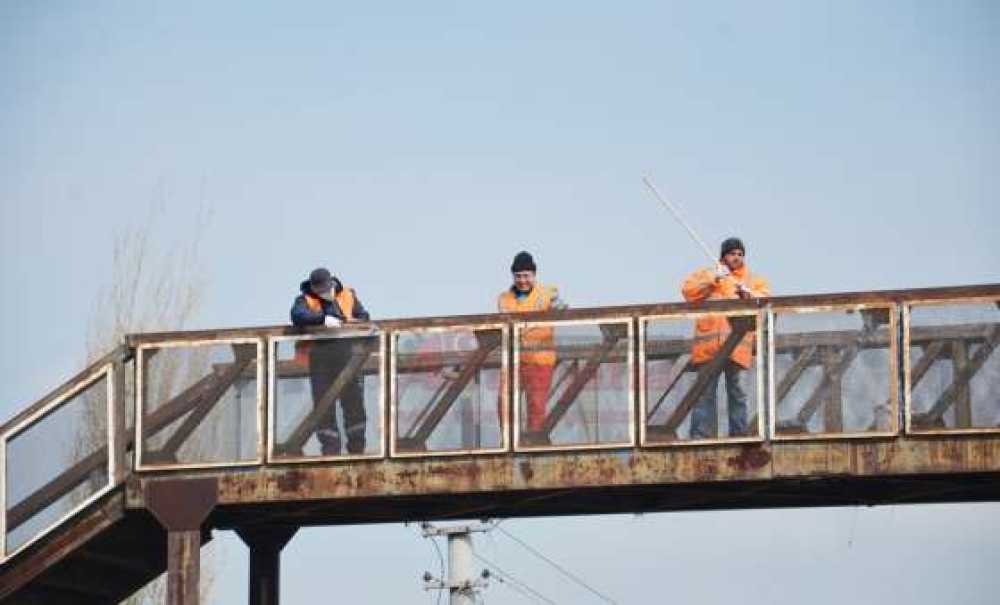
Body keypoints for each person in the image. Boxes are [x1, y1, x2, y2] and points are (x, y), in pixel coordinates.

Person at [681, 237, 770, 439]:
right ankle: (700, 436)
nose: (736, 258)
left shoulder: (751, 280)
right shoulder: (709, 275)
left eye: (740, 254)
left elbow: (765, 299)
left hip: (737, 348)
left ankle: (738, 435)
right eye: (732, 254)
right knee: (704, 394)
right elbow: (688, 291)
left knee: (737, 394)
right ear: (723, 256)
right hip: (709, 349)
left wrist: (750, 296)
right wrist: (713, 277)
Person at [290, 267, 371, 455]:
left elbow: (364, 317)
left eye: (325, 289)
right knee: (324, 405)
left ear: (332, 284)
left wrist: (351, 324)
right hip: (320, 359)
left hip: (349, 357)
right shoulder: (305, 299)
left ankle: (357, 448)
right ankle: (330, 449)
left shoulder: (348, 295)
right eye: (318, 290)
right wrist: (322, 319)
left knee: (354, 403)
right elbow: (297, 316)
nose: (323, 293)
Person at [497, 252, 567, 433]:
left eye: (526, 275)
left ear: (534, 275)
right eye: (518, 276)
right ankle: (508, 441)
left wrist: (558, 307)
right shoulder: (504, 299)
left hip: (540, 360)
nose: (522, 280)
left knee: (536, 406)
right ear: (513, 276)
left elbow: (562, 308)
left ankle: (533, 443)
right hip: (514, 360)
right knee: (505, 402)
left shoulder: (546, 294)